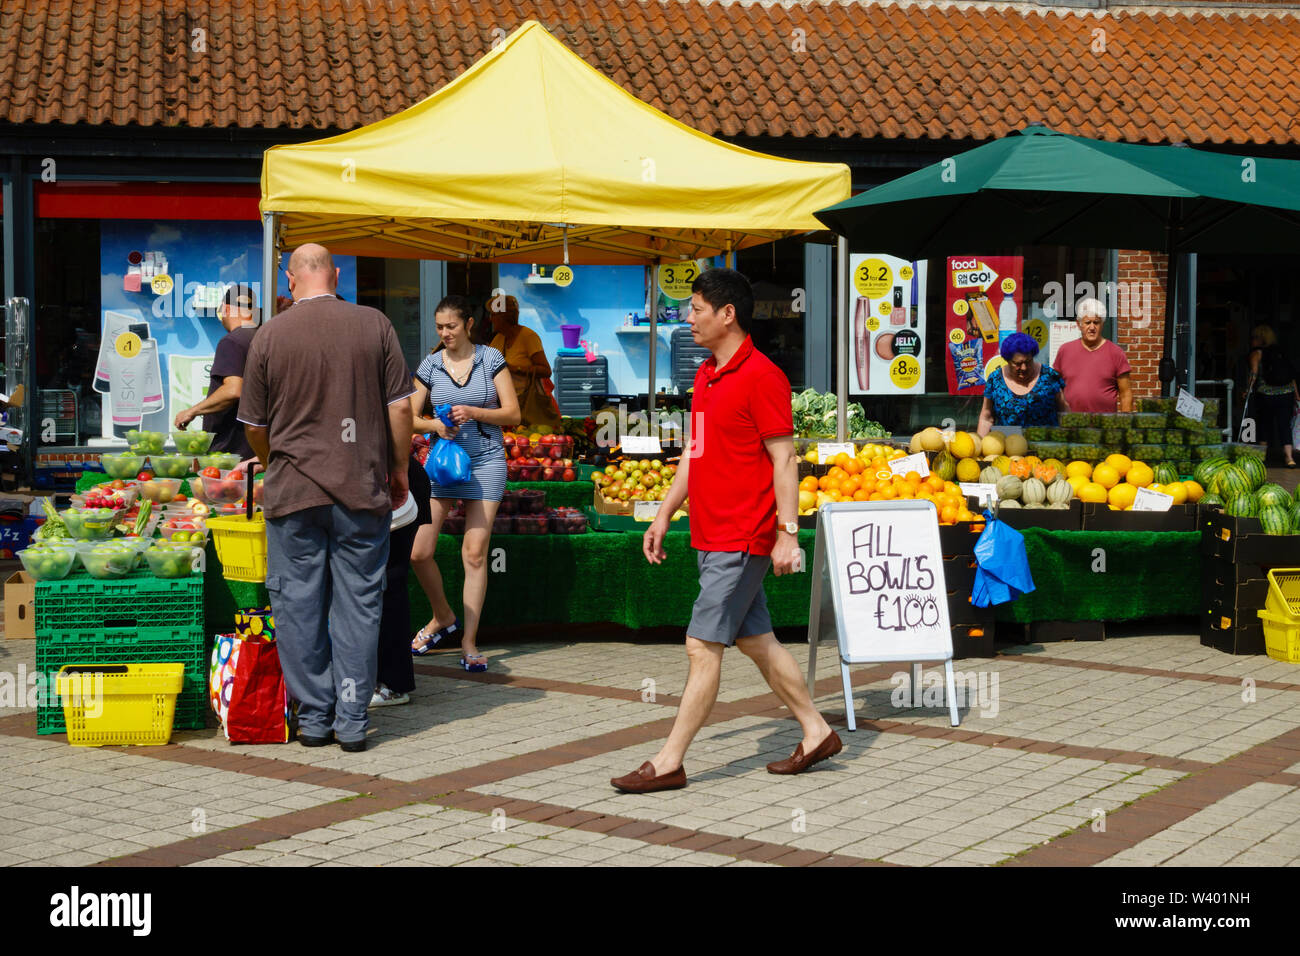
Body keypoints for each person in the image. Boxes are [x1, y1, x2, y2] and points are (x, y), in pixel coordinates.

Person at [611, 268, 840, 794]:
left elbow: (786, 460)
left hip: (743, 534)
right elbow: (696, 449)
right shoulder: (706, 374)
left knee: (701, 646)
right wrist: (666, 510)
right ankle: (817, 731)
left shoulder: (764, 377)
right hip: (710, 532)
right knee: (758, 640)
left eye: (695, 308)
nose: (687, 318)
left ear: (727, 313)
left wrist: (788, 533)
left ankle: (669, 761)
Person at [237, 243, 413, 752]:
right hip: (361, 487)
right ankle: (353, 721)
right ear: (335, 274)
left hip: (293, 492)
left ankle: (314, 718)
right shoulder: (375, 325)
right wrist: (398, 468)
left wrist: (277, 459)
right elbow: (400, 410)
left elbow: (253, 425)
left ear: (290, 280)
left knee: (298, 606)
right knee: (359, 605)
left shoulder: (269, 335)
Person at [407, 296, 519, 671]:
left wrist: (474, 412)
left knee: (474, 553)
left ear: (469, 324)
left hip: (486, 461)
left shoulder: (491, 360)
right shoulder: (430, 365)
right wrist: (435, 425)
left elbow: (513, 413)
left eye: (451, 326)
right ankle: (442, 616)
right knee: (418, 551)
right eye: (439, 327)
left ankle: (469, 642)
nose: (444, 333)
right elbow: (407, 417)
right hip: (441, 466)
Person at [371, 453, 431, 707]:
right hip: (365, 480)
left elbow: (402, 413)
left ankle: (394, 683)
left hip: (393, 481)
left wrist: (400, 473)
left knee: (389, 582)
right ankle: (371, 678)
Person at [174, 283, 258, 458]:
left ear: (226, 309)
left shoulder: (232, 341)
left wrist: (192, 411)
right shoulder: (262, 338)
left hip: (230, 452)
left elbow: (234, 390)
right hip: (255, 450)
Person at [488, 294, 560, 429]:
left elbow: (546, 370)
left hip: (529, 405)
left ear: (504, 316)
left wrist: (514, 369)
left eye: (493, 315)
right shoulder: (498, 339)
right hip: (507, 405)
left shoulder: (528, 337)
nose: (490, 319)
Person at [1052, 297, 1134, 414]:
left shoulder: (1116, 353)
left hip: (1105, 426)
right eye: (1087, 323)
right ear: (1079, 324)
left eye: (1096, 322)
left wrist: (1124, 426)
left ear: (1102, 324)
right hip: (1070, 424)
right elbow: (1055, 388)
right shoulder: (1065, 350)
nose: (1092, 327)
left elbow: (1126, 394)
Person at [977, 332, 1068, 436]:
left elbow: (1064, 412)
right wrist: (980, 445)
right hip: (1008, 447)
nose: (1024, 368)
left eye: (1028, 362)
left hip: (1045, 447)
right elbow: (986, 418)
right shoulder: (995, 379)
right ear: (1007, 360)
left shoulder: (1049, 376)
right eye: (1018, 364)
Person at [1243, 323, 1298, 467]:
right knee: (1284, 425)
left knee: (1264, 426)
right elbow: (1292, 375)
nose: (1251, 340)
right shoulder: (1281, 352)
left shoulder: (1257, 353)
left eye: (1254, 338)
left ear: (1259, 339)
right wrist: (1297, 395)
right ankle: (1289, 458)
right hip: (1286, 393)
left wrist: (1247, 390)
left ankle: (1262, 458)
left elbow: (1253, 374)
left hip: (1266, 395)